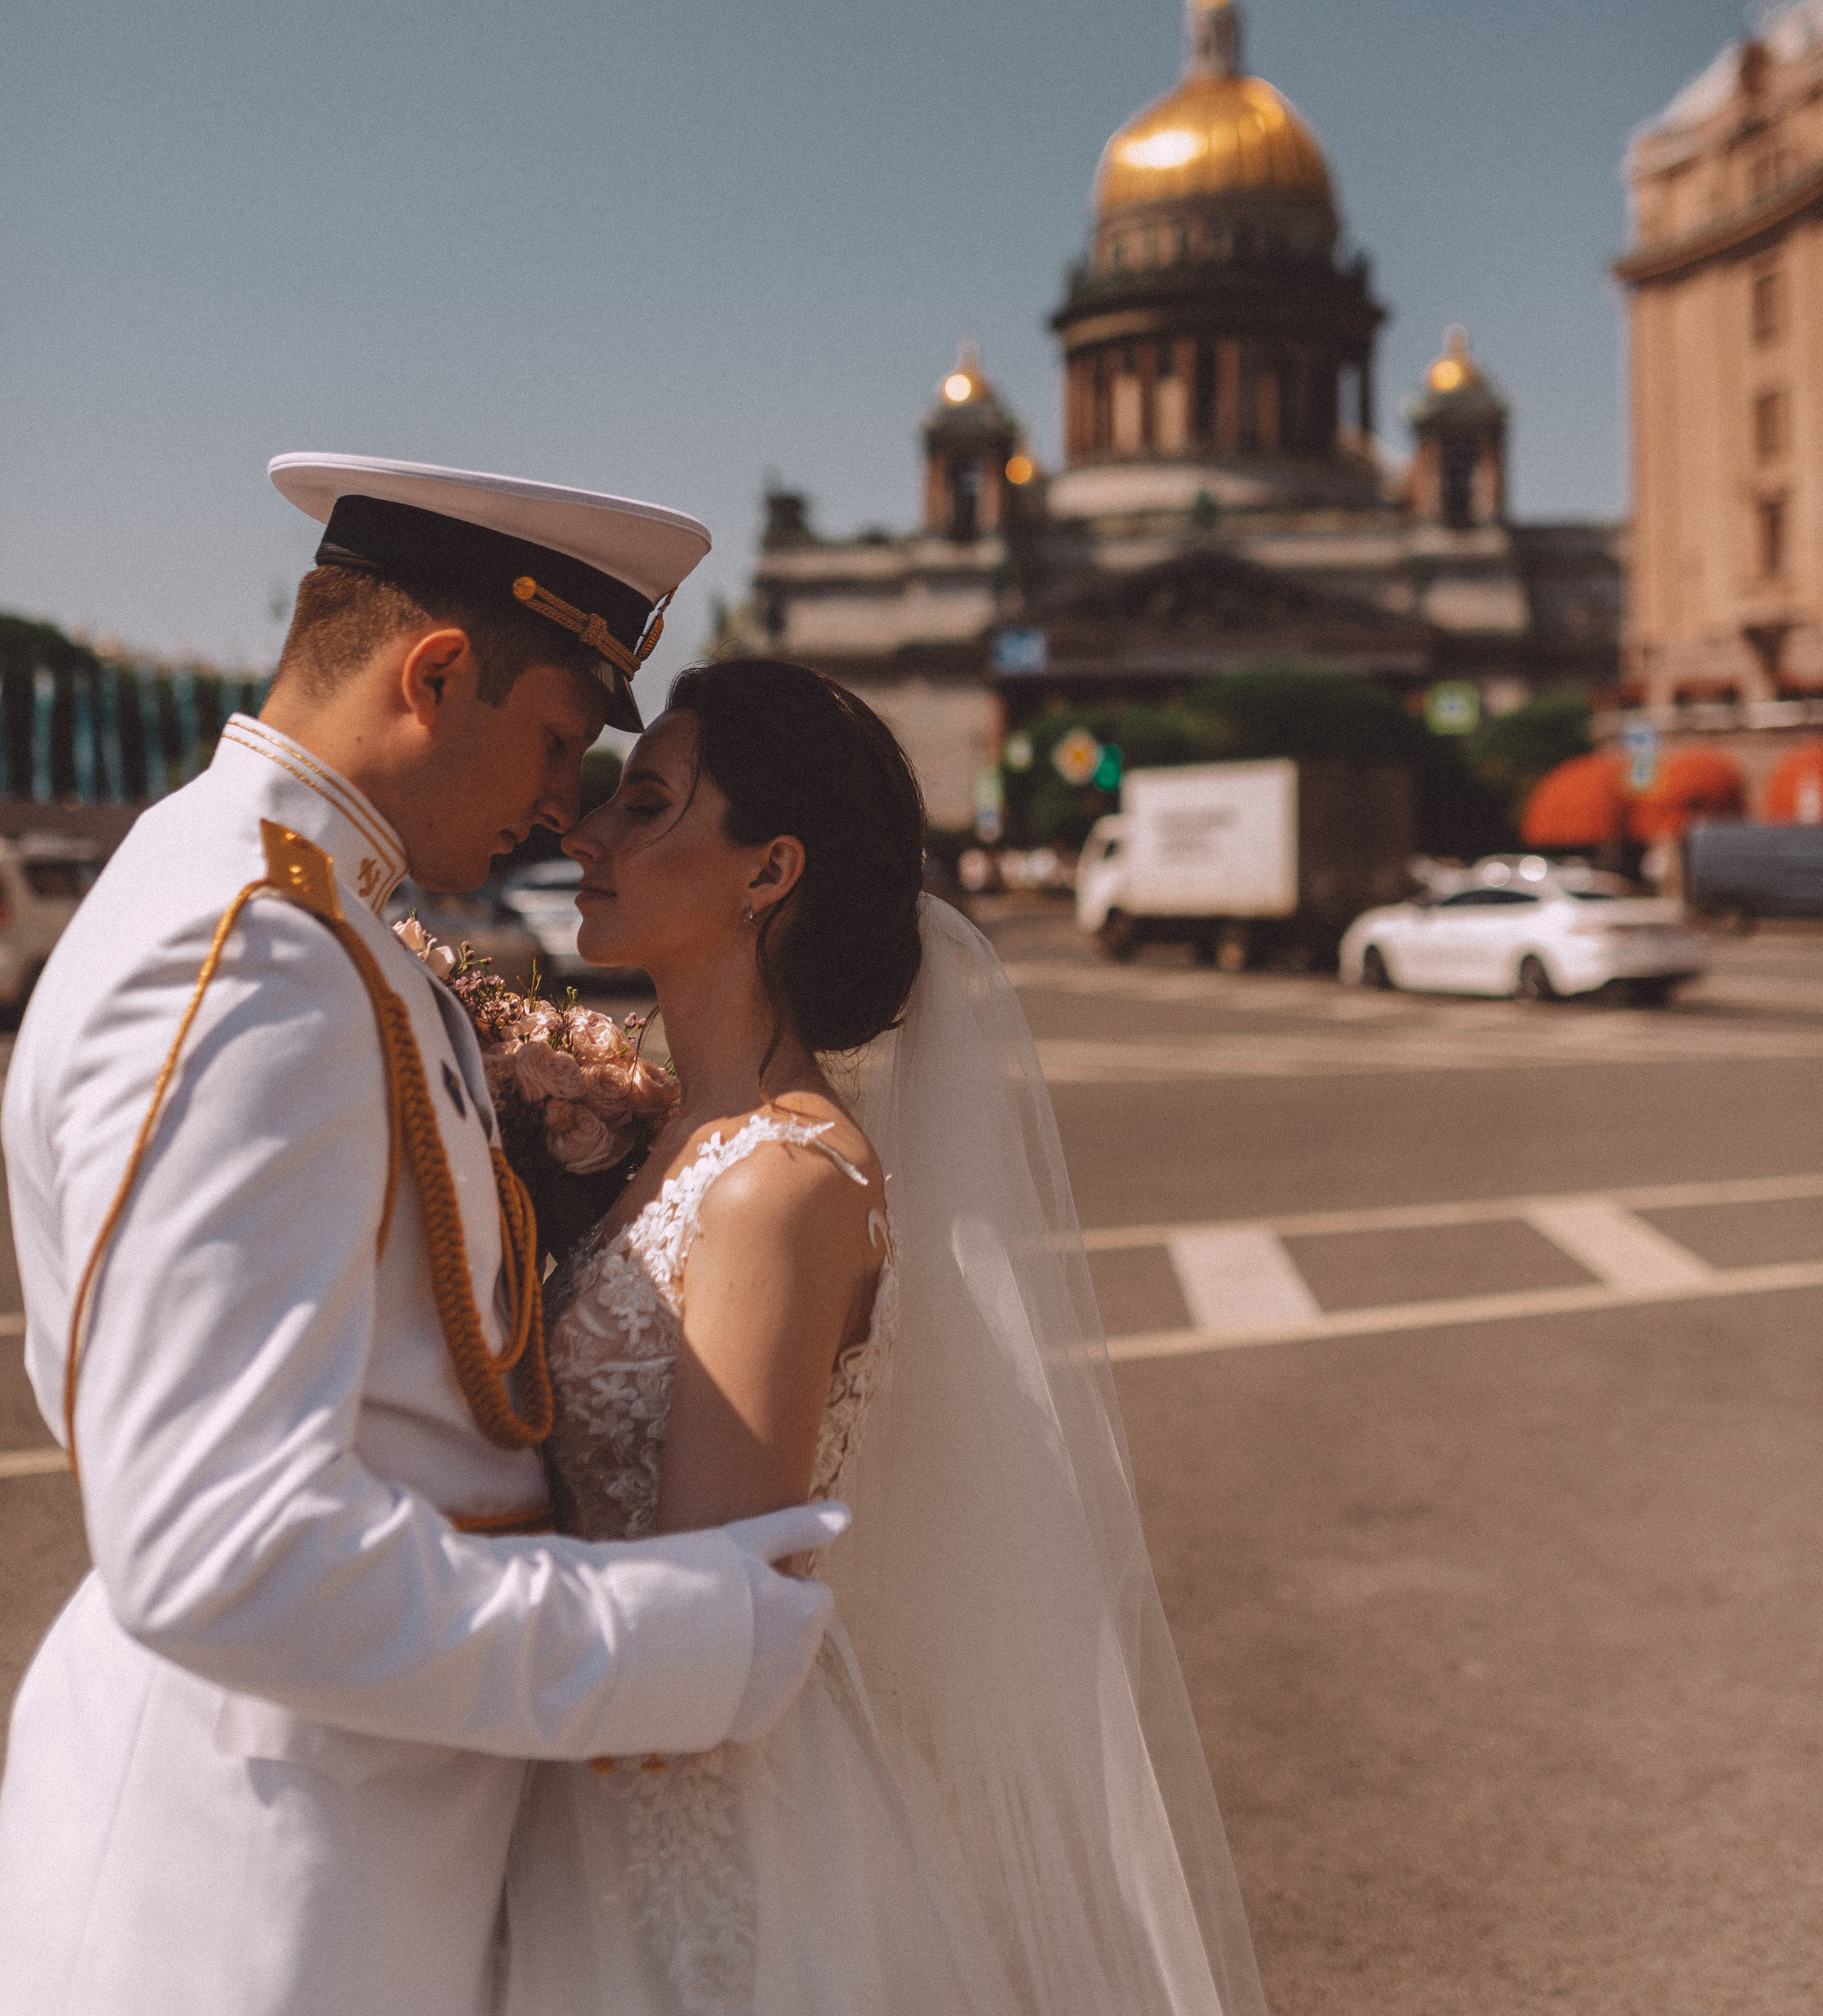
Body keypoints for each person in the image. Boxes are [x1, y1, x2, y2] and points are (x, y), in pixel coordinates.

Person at [0, 457, 846, 2016]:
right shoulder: (255, 950)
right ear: (436, 676)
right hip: (249, 1891)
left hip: (338, 1836)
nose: (564, 807)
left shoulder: (304, 915)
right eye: (557, 742)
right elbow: (216, 1549)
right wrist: (670, 1643)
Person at [502, 658, 1266, 2016]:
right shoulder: (654, 1134)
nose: (586, 830)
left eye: (647, 803)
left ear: (769, 869)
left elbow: (711, 1597)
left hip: (684, 1827)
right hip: (588, 1766)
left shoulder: (780, 1186)